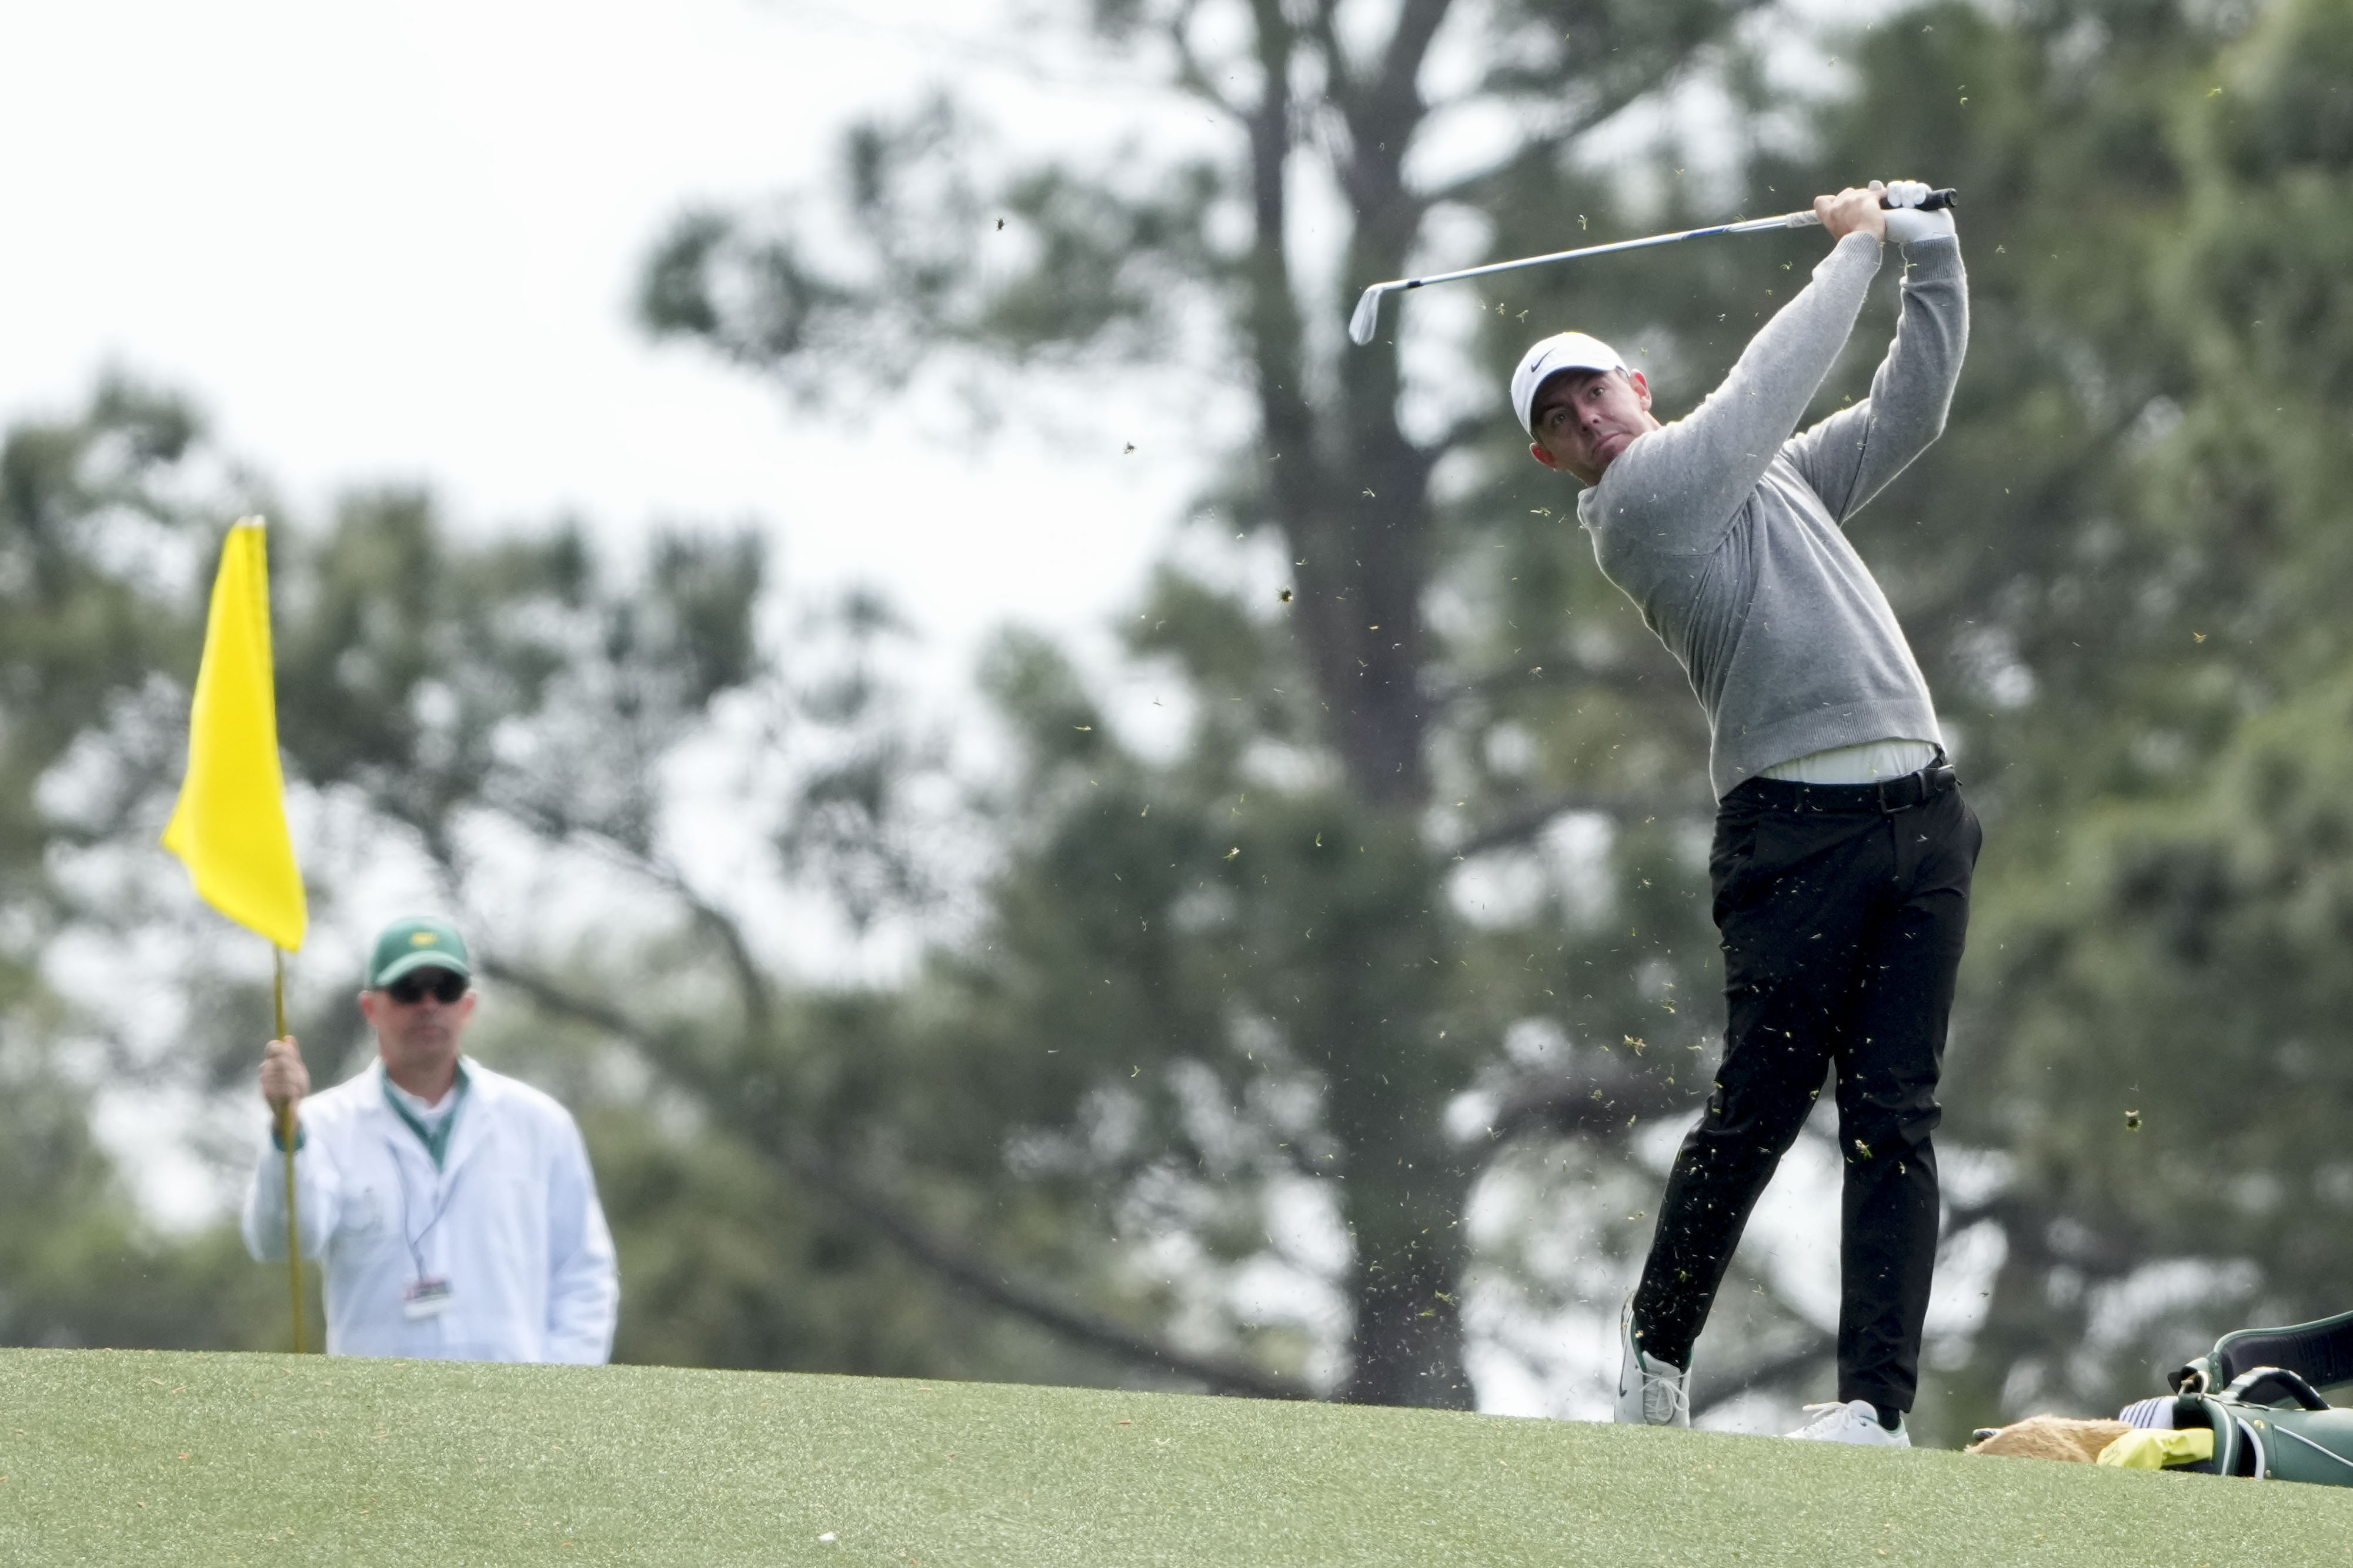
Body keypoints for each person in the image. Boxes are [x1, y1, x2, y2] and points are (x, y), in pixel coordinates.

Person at [1513, 181, 1974, 1446]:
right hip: (1792, 835)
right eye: (1557, 419)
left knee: (1894, 1115)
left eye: (1593, 390)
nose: (1585, 419)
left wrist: (1928, 252)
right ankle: (1656, 1354)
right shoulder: (1637, 511)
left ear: (1636, 384)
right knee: (1758, 1109)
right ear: (1547, 461)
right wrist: (1854, 251)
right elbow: (1767, 387)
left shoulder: (1770, 484)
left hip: (1922, 817)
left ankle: (1874, 1409)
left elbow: (1908, 409)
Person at [242, 915, 619, 1363]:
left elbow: (584, 1273)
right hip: (374, 1412)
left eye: (445, 987)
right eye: (407, 989)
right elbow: (281, 1242)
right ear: (370, 1008)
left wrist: (560, 1392)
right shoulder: (321, 1123)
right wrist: (288, 1133)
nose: (427, 1004)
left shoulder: (541, 1123)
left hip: (518, 1408)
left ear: (468, 1004)